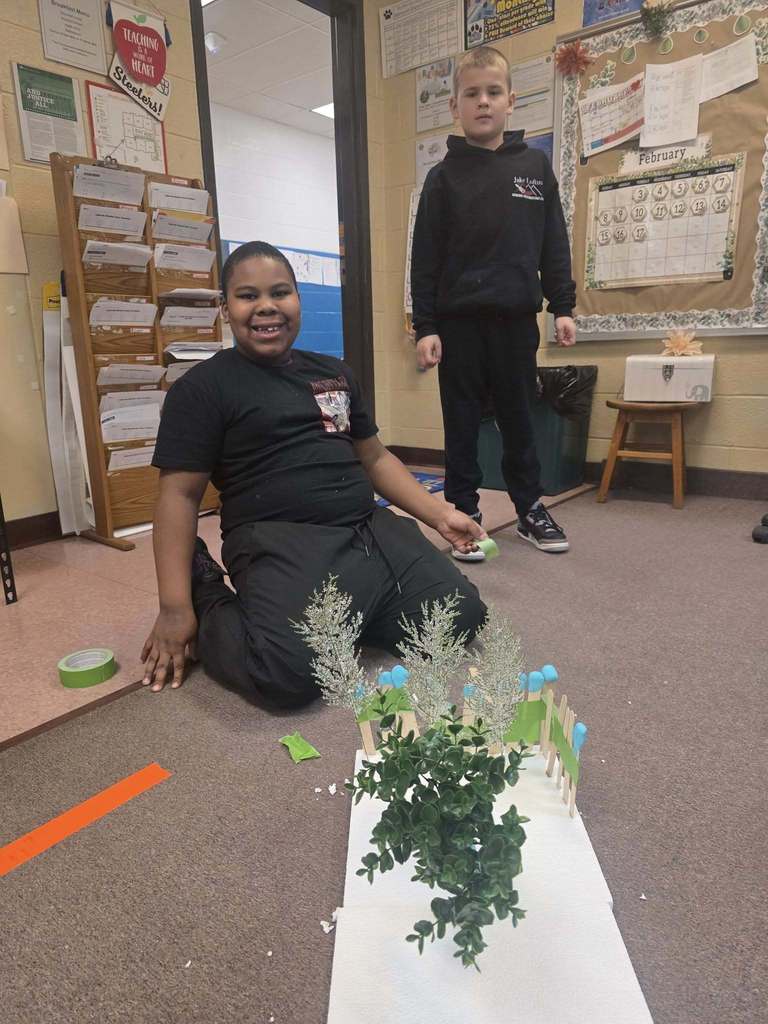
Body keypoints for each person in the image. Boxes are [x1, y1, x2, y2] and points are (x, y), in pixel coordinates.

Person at [140, 241, 487, 700]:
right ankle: (203, 581)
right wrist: (175, 606)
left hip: (367, 532)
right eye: (247, 296)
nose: (266, 306)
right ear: (226, 309)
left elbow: (375, 458)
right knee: (284, 674)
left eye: (280, 292)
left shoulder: (334, 373)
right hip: (282, 539)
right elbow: (179, 496)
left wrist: (439, 515)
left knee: (460, 617)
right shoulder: (202, 389)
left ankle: (348, 617)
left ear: (298, 299)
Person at [411, 45, 577, 562]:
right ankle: (464, 510)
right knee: (460, 421)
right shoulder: (441, 179)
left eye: (493, 92)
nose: (483, 102)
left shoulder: (534, 167)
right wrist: (426, 326)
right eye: (471, 94)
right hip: (458, 325)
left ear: (511, 101)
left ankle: (529, 507)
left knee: (518, 417)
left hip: (514, 321)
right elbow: (425, 259)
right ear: (455, 107)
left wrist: (563, 305)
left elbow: (554, 242)